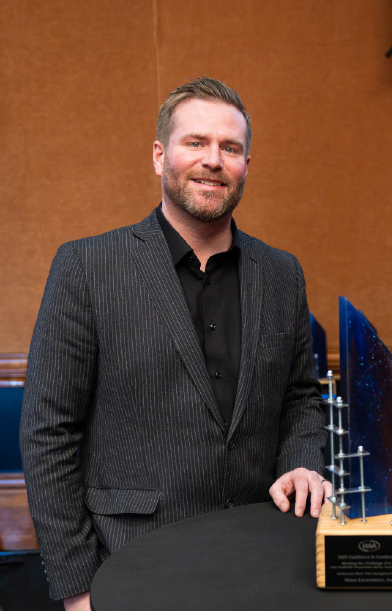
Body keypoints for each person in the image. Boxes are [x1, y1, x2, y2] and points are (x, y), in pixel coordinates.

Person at [20, 77, 330, 610]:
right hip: (135, 562)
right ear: (160, 156)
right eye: (196, 143)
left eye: (230, 148)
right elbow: (48, 432)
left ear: (246, 166)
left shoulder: (281, 274)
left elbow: (301, 397)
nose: (213, 160)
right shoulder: (88, 267)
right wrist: (77, 589)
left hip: (265, 555)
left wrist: (303, 460)